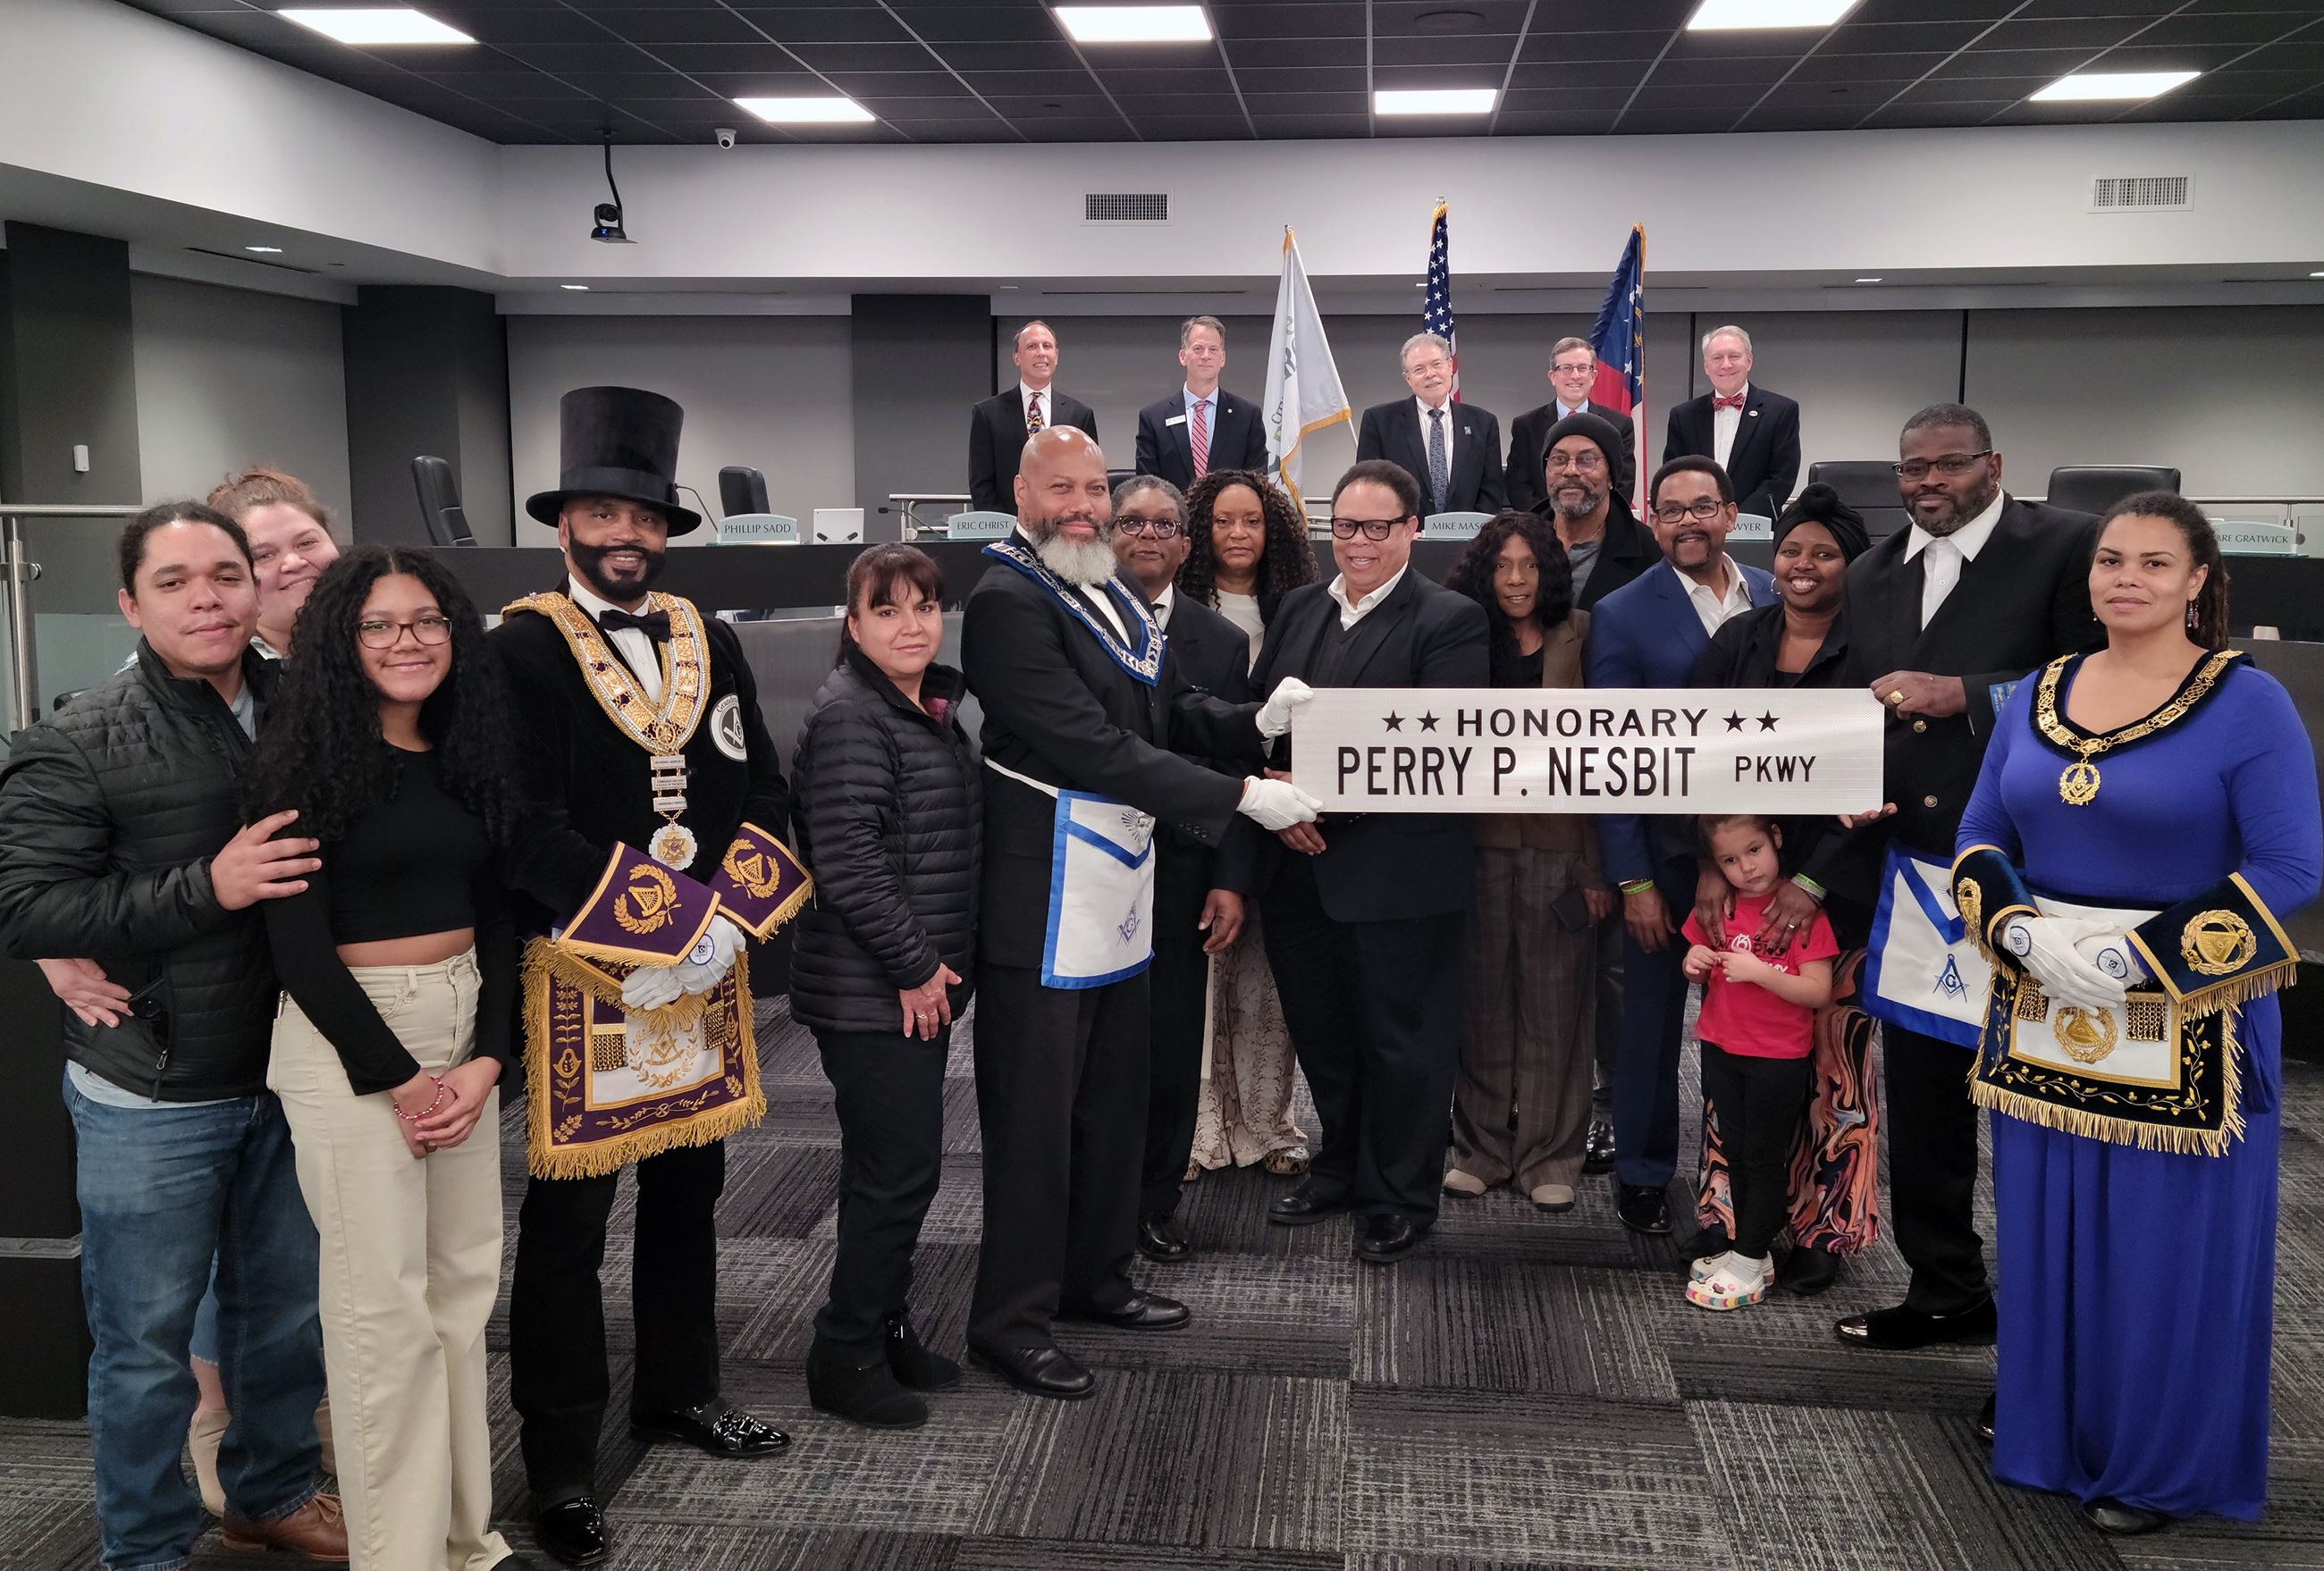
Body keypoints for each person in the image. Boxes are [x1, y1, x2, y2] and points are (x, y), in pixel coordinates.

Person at [1952, 493, 2319, 1531]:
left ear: (2196, 580)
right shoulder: (2035, 690)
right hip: (2041, 1008)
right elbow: (1983, 832)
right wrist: (2016, 930)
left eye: (2153, 564)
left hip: (2185, 1021)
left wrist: (2137, 958)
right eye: (2110, 559)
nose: (2124, 578)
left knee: (2163, 1247)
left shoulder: (2248, 705)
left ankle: (2158, 1466)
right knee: (2044, 1230)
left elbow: (2291, 864)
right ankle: (2051, 1437)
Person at [0, 503, 345, 1571]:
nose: (208, 598)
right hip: (154, 1090)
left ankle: (271, 1494)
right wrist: (211, 886)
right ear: (129, 604)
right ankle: (144, 1547)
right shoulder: (78, 733)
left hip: (294, 1072)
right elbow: (28, 908)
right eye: (176, 582)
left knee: (283, 1321)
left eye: (227, 575)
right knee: (146, 1348)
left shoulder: (312, 707)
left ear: (257, 589)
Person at [494, 387, 806, 1567]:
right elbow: (523, 826)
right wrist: (671, 924)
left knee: (692, 1196)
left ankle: (680, 1388)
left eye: (644, 514)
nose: (625, 532)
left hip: (704, 970)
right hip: (585, 973)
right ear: (566, 517)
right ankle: (562, 1459)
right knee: (569, 1224)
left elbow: (761, 786)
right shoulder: (518, 647)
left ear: (665, 527)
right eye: (601, 510)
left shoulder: (706, 635)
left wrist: (734, 923)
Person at [960, 425, 1314, 1399]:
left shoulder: (1101, 587)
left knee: (1112, 1099)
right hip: (1040, 891)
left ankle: (1094, 1276)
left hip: (1117, 877)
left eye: (1091, 489)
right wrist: (1240, 794)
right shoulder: (1005, 598)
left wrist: (1252, 723)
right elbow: (1087, 745)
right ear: (1021, 493)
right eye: (1061, 489)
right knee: (1034, 1118)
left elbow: (1153, 717)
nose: (1081, 506)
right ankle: (1010, 1318)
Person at [243, 546, 537, 1570]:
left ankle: (464, 1540)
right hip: (351, 1044)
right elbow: (299, 955)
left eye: (426, 621)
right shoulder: (299, 762)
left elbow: (499, 920)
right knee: (383, 1318)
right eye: (379, 625)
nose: (406, 642)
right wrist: (403, 1079)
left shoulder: (467, 750)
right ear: (340, 641)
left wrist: (489, 1062)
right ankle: (399, 1558)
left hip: (460, 1037)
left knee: (460, 1299)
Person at [1831, 404, 2100, 1354]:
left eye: (1945, 465)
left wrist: (1973, 695)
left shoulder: (2068, 546)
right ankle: (1944, 1287)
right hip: (1911, 879)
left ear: (1991, 463)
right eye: (1911, 469)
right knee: (1925, 1102)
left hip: (2032, 871)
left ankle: (2051, 1335)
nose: (1925, 483)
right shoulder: (1869, 573)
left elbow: (2103, 679)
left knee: (2039, 1104)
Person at [1253, 458, 1490, 1263]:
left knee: (1403, 1045)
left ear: (1412, 530)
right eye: (1345, 526)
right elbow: (1262, 724)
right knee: (1324, 1034)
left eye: (1378, 527)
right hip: (1298, 866)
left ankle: (1400, 1195)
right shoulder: (1294, 609)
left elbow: (1437, 752)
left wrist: (1308, 795)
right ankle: (1343, 1166)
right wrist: (1272, 798)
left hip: (1400, 872)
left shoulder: (1450, 619)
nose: (1358, 542)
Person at [789, 544, 979, 1430]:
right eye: (888, 609)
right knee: (896, 1173)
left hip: (906, 982)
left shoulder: (920, 706)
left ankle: (885, 1322)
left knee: (897, 1168)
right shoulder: (853, 718)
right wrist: (911, 966)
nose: (912, 624)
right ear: (853, 624)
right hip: (872, 990)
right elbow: (849, 863)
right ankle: (845, 1350)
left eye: (925, 606)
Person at [1686, 483, 1878, 1297]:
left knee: (1836, 1072)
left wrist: (1811, 878)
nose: (1802, 566)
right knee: (1740, 1059)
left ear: (1850, 566)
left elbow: (1881, 772)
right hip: (1739, 875)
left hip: (1842, 884)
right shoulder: (1742, 635)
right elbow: (1693, 747)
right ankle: (1740, 1224)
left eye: (1822, 554)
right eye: (1792, 551)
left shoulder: (1874, 645)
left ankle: (1825, 1229)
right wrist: (1706, 863)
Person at [1586, 457, 1775, 1237]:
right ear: (1652, 520)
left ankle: (1754, 1182)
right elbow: (1609, 754)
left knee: (1760, 1028)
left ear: (1731, 513)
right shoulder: (1623, 612)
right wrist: (1631, 880)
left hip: (1767, 862)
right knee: (1651, 1028)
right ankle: (1643, 1172)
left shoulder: (1775, 591)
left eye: (1703, 506)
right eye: (1671, 510)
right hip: (1663, 862)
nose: (1687, 521)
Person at [1106, 476, 1258, 1264]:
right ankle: (1093, 1196)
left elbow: (1231, 765)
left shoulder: (1219, 642)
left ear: (1186, 546)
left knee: (1169, 1046)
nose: (1149, 536)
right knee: (1100, 1048)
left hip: (1182, 872)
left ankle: (1153, 1203)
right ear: (1107, 533)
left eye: (1166, 525)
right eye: (1132, 521)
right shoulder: (1074, 621)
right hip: (1091, 871)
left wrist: (1230, 877)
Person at [1438, 509, 1608, 1212]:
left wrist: (1600, 870)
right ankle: (1480, 1147)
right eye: (1503, 566)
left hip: (1561, 849)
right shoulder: (1458, 634)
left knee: (1556, 1006)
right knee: (1478, 1003)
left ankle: (1549, 1154)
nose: (1515, 579)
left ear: (1549, 570)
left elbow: (1613, 756)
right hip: (1474, 846)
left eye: (1529, 565)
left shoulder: (1586, 633)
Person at [1172, 468, 1317, 1180]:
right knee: (1203, 976)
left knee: (1269, 981)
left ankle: (1265, 1126)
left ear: (1275, 530)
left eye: (1252, 521)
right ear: (1198, 530)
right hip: (1210, 814)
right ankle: (1198, 1131)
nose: (1238, 535)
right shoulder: (1172, 610)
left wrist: (1293, 789)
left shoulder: (1300, 608)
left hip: (1289, 819)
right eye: (1223, 521)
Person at [1522, 409, 1655, 1180]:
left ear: (1613, 472)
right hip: (1525, 794)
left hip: (1614, 790)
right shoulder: (1517, 547)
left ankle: (1610, 1110)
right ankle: (1529, 1103)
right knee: (1530, 956)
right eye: (1559, 459)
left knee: (1611, 972)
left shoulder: (1645, 556)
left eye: (1588, 460)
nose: (1572, 471)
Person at [1679, 814, 1837, 1310]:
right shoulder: (1721, 906)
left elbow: (1817, 989)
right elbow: (1695, 955)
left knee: (1766, 1160)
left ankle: (1749, 1257)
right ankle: (1750, 1253)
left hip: (1776, 1058)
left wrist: (1760, 972)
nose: (1746, 868)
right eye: (1729, 859)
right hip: (1721, 1047)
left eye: (1753, 851)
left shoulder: (1800, 912)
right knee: (1739, 1153)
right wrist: (1694, 963)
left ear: (1777, 839)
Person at [1355, 333, 1506, 517]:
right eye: (1419, 369)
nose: (1430, 374)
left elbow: (1492, 490)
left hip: (1469, 539)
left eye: (1437, 364)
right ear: (1407, 378)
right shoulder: (1379, 422)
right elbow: (1370, 486)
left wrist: (1472, 532)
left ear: (1450, 366)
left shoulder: (1483, 423)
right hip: (1403, 538)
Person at [1662, 325, 1801, 522]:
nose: (1726, 365)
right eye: (1717, 358)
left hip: (1756, 528)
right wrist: (1702, 515)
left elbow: (1781, 477)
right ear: (1706, 365)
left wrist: (1739, 519)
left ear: (1749, 360)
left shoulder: (1781, 411)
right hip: (1697, 524)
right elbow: (1674, 475)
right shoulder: (1682, 416)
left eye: (1734, 356)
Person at [969, 320, 1098, 513]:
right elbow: (981, 482)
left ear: (1056, 356)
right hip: (1009, 527)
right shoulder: (988, 413)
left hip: (1063, 525)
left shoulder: (1079, 414)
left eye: (1047, 346)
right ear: (1017, 357)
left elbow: (1090, 476)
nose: (1041, 352)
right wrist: (1001, 527)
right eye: (1031, 346)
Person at [1133, 316, 1268, 491]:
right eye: (1198, 348)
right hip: (1174, 517)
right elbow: (1147, 484)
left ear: (1222, 358)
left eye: (1213, 349)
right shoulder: (1154, 418)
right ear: (1183, 356)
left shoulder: (1247, 416)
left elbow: (1257, 481)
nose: (1206, 356)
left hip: (1228, 517)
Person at [1506, 339, 1638, 513]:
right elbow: (1518, 485)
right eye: (1566, 368)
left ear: (1593, 377)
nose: (1575, 375)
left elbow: (1623, 485)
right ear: (1553, 377)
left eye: (1583, 368)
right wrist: (1548, 520)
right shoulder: (1526, 426)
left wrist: (1593, 520)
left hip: (1599, 528)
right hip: (1541, 528)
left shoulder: (1620, 425)